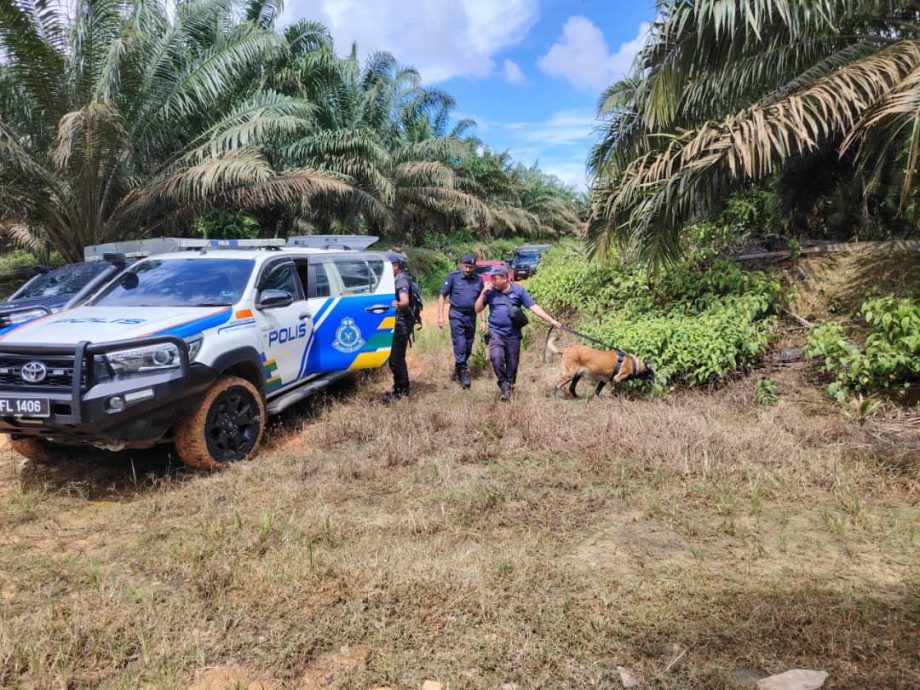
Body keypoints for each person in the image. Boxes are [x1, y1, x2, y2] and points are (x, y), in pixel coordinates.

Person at [475, 265, 561, 401]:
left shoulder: (519, 291)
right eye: (491, 278)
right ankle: (504, 385)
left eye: (495, 278)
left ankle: (508, 387)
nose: (492, 281)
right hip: (496, 332)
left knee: (513, 363)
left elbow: (533, 307)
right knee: (496, 358)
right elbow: (477, 309)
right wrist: (482, 293)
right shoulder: (490, 292)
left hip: (513, 334)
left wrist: (551, 320)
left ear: (504, 278)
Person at [437, 253, 483, 388]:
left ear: (474, 267)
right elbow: (442, 296)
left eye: (471, 267)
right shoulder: (453, 277)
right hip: (456, 314)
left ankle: (458, 369)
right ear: (461, 265)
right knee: (460, 344)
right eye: (466, 266)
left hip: (471, 315)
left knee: (468, 345)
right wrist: (440, 316)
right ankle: (463, 374)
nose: (468, 269)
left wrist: (483, 320)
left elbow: (482, 301)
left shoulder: (478, 280)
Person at [383, 252, 412, 403]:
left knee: (395, 359)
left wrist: (398, 304)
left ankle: (401, 391)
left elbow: (405, 301)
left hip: (402, 323)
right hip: (399, 321)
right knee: (397, 358)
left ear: (395, 266)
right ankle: (400, 388)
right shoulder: (395, 279)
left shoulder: (401, 280)